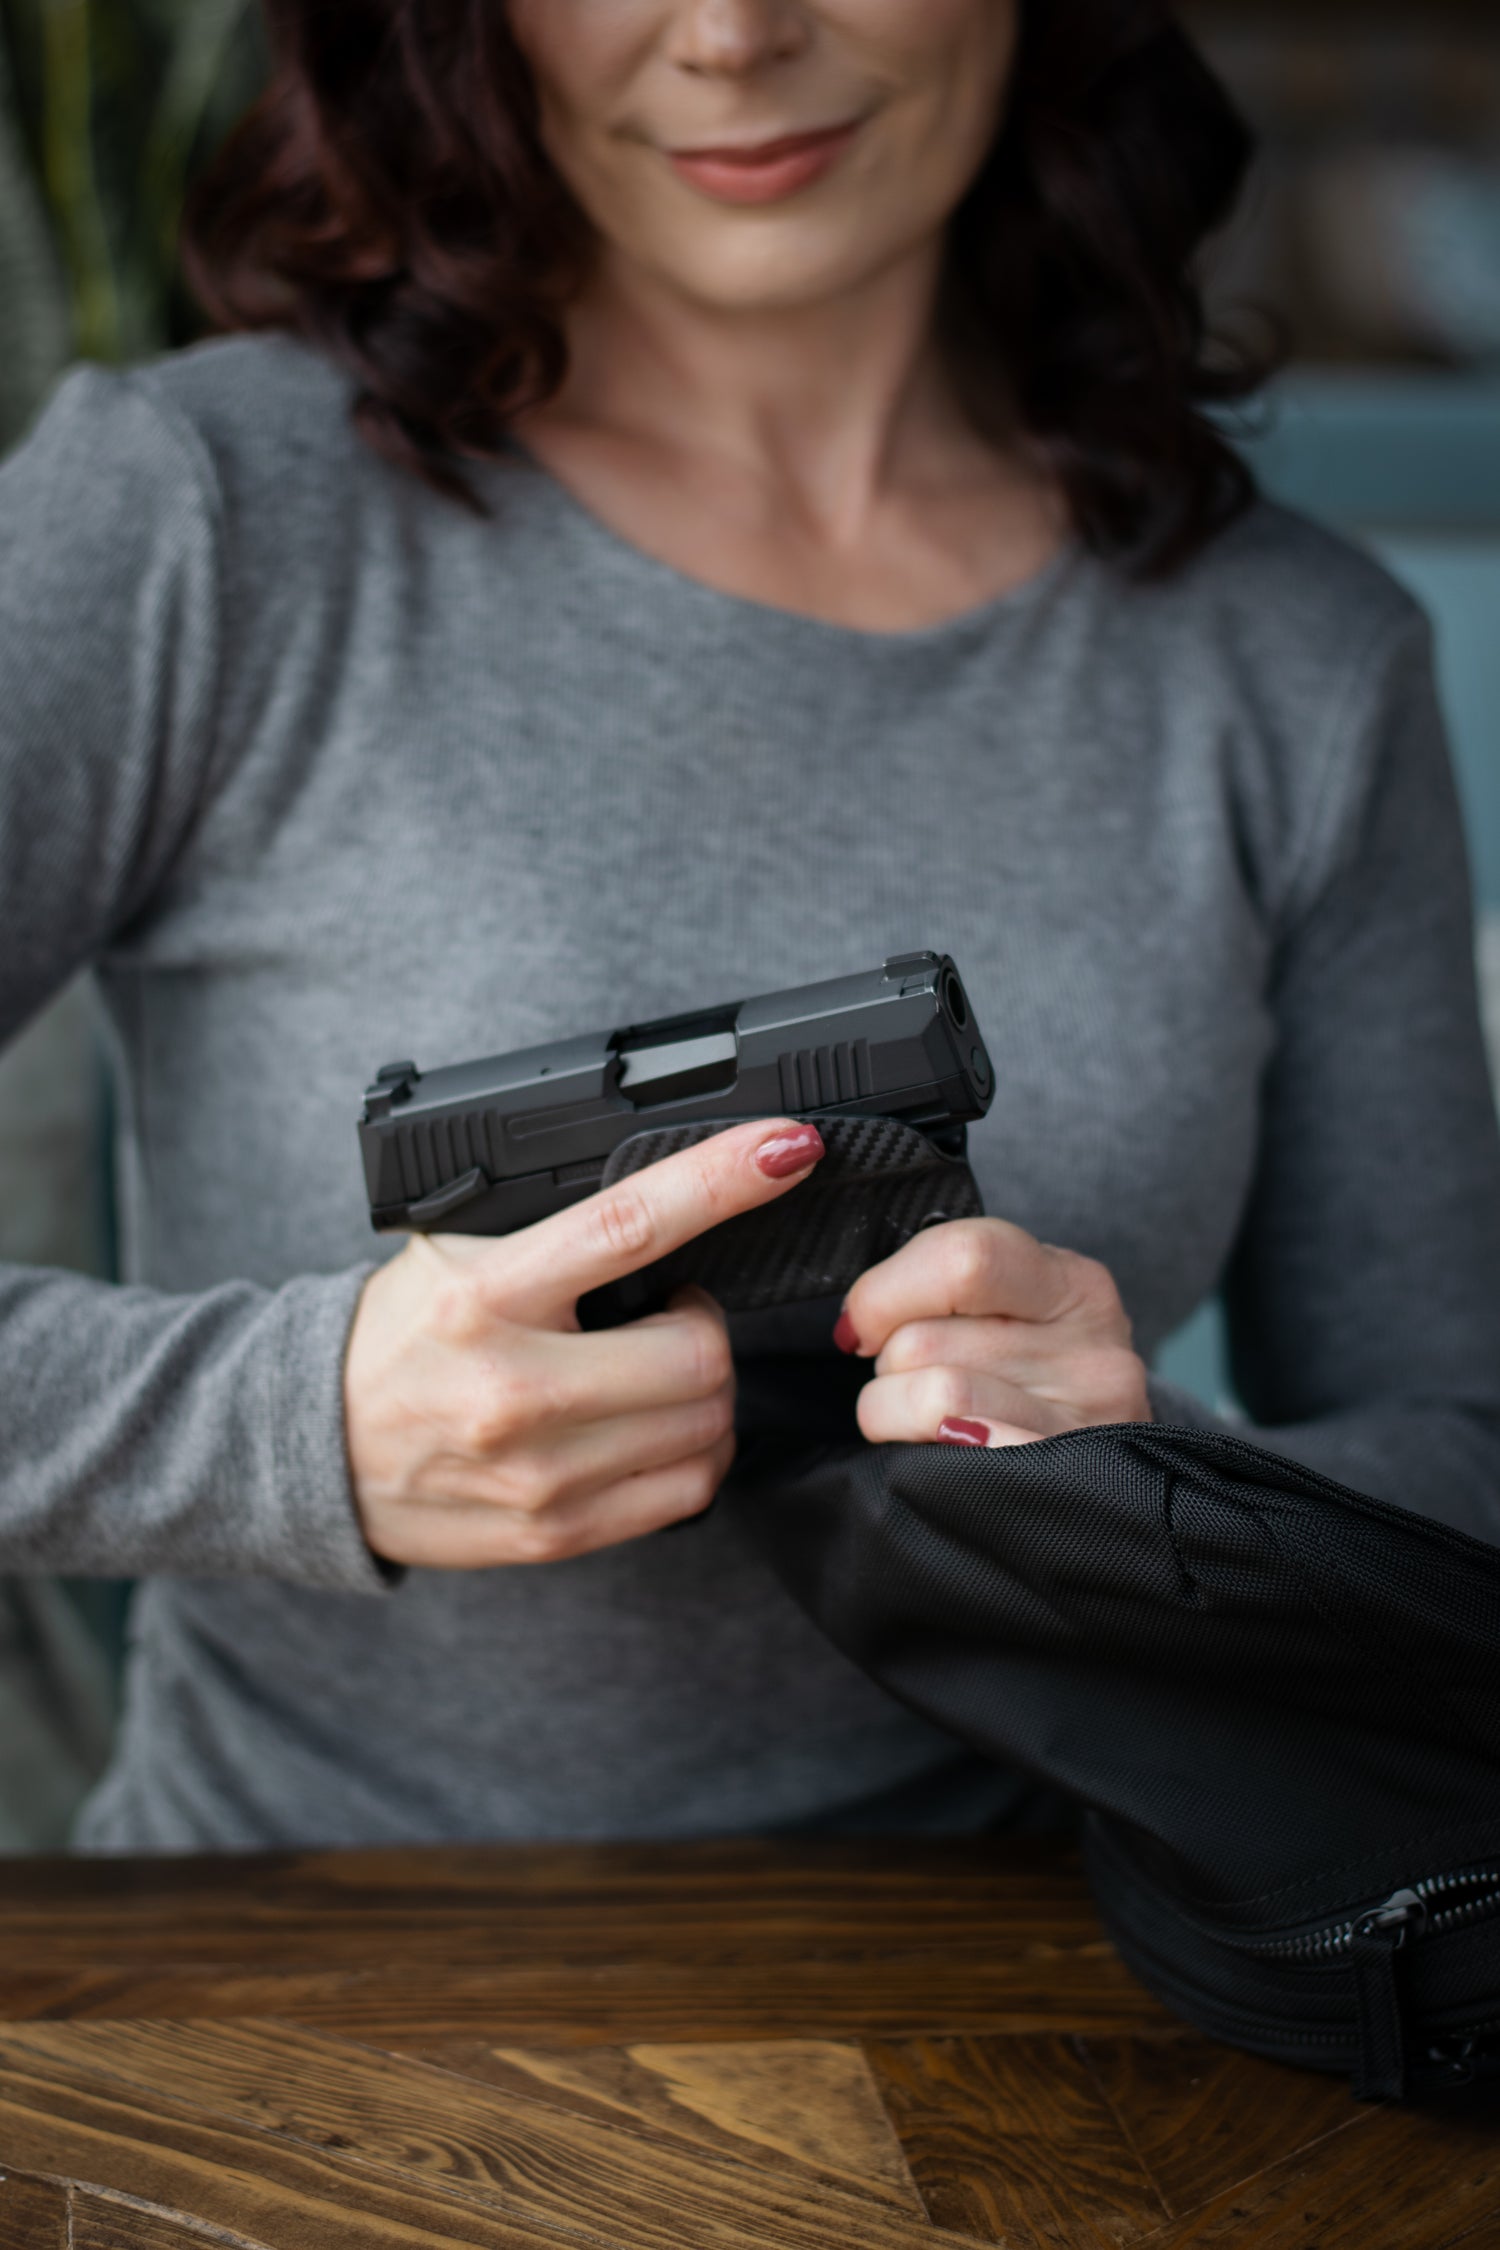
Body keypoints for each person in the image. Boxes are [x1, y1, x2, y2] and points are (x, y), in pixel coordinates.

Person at [1, 0, 1497, 1854]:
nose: (726, 34)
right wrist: (293, 1426)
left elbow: (1462, 1454)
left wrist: (1153, 1494)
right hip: (307, 2018)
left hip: (1065, 2028)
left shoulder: (1298, 660)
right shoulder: (203, 517)